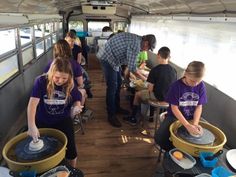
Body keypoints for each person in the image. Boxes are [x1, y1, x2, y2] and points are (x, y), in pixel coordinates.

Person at [27, 58, 83, 167]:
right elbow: (32, 104)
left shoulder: (70, 84)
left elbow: (77, 98)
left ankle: (72, 170)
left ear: (69, 76)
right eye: (57, 77)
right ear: (51, 73)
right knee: (41, 150)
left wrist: (76, 107)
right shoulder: (41, 81)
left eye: (64, 78)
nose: (60, 81)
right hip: (43, 120)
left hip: (63, 120)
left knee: (71, 150)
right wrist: (31, 125)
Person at [97, 32, 156, 127]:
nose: (147, 50)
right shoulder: (135, 45)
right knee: (112, 87)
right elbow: (132, 67)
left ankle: (116, 107)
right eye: (149, 48)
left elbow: (130, 64)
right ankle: (111, 115)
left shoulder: (138, 39)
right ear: (146, 42)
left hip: (115, 60)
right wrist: (146, 79)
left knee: (118, 82)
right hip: (107, 58)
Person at [154, 61, 207, 151]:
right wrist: (186, 125)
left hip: (192, 116)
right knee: (159, 138)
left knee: (201, 139)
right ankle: (172, 151)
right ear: (186, 74)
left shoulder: (201, 86)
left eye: (198, 81)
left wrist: (195, 123)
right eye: (193, 81)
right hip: (175, 116)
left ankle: (185, 152)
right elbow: (174, 108)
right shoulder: (176, 86)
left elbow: (199, 106)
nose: (195, 84)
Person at [124, 47, 177, 125]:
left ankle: (133, 118)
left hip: (157, 97)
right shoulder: (174, 70)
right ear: (169, 57)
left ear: (158, 55)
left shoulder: (155, 70)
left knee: (137, 94)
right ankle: (150, 116)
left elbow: (150, 89)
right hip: (169, 99)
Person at [44, 39, 87, 107]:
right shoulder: (74, 63)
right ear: (69, 50)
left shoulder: (50, 64)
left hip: (52, 91)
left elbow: (46, 79)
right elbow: (80, 82)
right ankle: (77, 113)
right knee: (83, 92)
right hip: (69, 90)